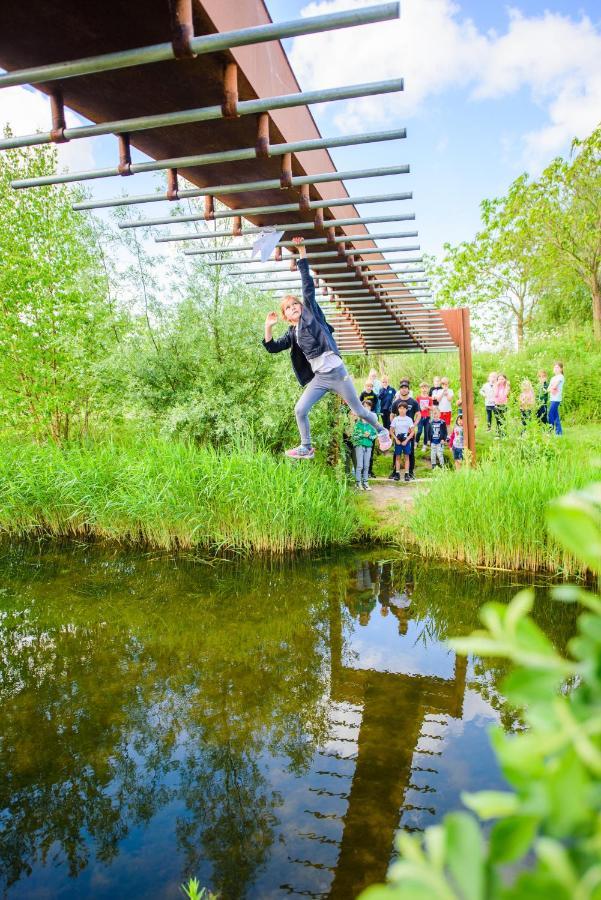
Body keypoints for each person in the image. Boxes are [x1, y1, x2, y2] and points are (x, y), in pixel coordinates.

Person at [262, 236, 392, 458]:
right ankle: (307, 447)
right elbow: (272, 347)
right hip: (320, 377)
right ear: (285, 316)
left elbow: (307, 286)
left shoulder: (311, 314)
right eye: (289, 307)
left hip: (337, 372)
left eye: (296, 304)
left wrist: (302, 251)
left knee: (359, 411)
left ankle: (382, 431)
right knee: (300, 410)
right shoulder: (292, 333)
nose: (294, 307)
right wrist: (268, 327)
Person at [390, 380, 419, 480]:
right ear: (400, 389)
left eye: (405, 387)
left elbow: (418, 414)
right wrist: (393, 427)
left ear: (408, 389)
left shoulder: (413, 401)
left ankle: (410, 472)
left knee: (410, 453)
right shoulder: (396, 402)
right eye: (402, 387)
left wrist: (413, 426)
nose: (404, 389)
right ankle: (395, 472)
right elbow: (392, 415)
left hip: (409, 432)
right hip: (398, 433)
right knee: (396, 453)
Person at [352, 400, 378, 491]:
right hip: (359, 445)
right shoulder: (357, 423)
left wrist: (370, 436)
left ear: (370, 408)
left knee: (366, 465)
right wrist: (363, 435)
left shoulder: (372, 423)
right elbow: (354, 435)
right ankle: (358, 483)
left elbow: (375, 435)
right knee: (360, 465)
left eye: (368, 406)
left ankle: (366, 483)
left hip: (368, 446)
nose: (366, 407)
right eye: (364, 406)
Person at [389, 402, 415, 482]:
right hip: (398, 440)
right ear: (398, 409)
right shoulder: (396, 419)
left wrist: (407, 440)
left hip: (406, 440)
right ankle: (397, 473)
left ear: (406, 409)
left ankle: (407, 474)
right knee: (397, 457)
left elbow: (412, 432)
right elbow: (391, 431)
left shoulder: (409, 419)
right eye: (400, 408)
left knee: (407, 457)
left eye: (404, 408)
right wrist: (396, 439)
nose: (402, 410)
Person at [548, 362, 565, 435]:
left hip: (557, 399)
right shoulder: (552, 378)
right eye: (554, 367)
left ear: (561, 369)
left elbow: (554, 386)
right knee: (555, 415)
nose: (555, 369)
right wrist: (550, 388)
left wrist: (551, 388)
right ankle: (559, 432)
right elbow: (549, 388)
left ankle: (550, 430)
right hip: (552, 398)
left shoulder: (561, 376)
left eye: (557, 367)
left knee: (550, 414)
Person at [415, 382, 432, 450]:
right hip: (420, 417)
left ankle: (424, 445)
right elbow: (416, 408)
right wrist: (420, 409)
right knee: (419, 431)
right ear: (420, 389)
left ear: (428, 389)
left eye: (425, 388)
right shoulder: (418, 398)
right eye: (422, 388)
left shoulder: (429, 398)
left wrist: (427, 406)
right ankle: (416, 442)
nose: (424, 389)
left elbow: (432, 408)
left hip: (427, 417)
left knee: (426, 431)